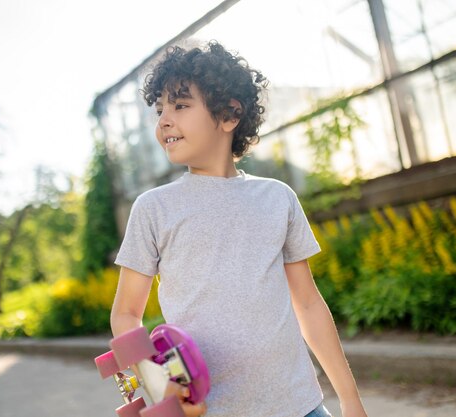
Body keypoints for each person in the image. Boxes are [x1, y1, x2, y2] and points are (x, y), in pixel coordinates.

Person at [110, 40, 368, 417]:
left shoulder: (277, 199)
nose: (164, 119)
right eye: (160, 108)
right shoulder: (153, 209)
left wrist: (350, 400)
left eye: (180, 105)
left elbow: (309, 304)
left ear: (229, 115)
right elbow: (125, 315)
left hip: (301, 406)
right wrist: (158, 386)